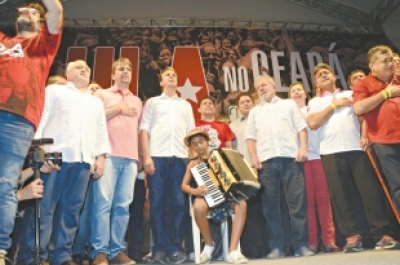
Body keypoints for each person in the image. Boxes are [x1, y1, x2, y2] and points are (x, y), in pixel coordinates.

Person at [16, 60, 110, 265]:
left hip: (83, 161)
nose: (84, 69)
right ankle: (32, 256)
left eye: (86, 67)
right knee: (43, 208)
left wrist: (100, 157)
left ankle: (62, 255)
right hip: (53, 159)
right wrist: (38, 150)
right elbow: (40, 118)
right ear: (67, 74)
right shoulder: (54, 91)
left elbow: (101, 131)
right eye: (78, 67)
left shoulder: (96, 102)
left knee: (71, 210)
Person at [307, 62, 399, 253]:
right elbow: (314, 123)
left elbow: (363, 116)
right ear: (316, 83)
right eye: (319, 75)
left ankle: (382, 235)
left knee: (370, 193)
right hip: (329, 152)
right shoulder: (314, 102)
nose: (323, 76)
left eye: (327, 73)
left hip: (357, 148)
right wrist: (333, 105)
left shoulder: (349, 94)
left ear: (334, 77)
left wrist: (365, 136)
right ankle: (352, 237)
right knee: (341, 197)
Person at [0, 0, 63, 262]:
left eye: (34, 12)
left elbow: (57, 11)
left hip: (17, 120)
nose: (26, 11)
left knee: (4, 183)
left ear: (40, 23)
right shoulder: (3, 41)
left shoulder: (43, 46)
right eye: (23, 9)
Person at [245, 75, 313, 258]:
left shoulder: (288, 104)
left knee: (297, 205)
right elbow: (250, 137)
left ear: (274, 86)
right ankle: (277, 247)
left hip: (291, 159)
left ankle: (300, 246)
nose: (261, 88)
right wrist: (253, 157)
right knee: (270, 207)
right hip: (266, 163)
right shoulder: (254, 112)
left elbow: (301, 128)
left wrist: (303, 147)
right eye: (258, 87)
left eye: (264, 84)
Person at [139, 67, 195, 264]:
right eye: (167, 75)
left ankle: (177, 248)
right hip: (157, 158)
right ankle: (160, 249)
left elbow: (191, 134)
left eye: (174, 74)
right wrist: (147, 156)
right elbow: (144, 130)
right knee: (157, 204)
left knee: (179, 204)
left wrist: (191, 160)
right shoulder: (153, 103)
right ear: (161, 81)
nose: (172, 76)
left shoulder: (185, 105)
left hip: (180, 158)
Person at [90, 58, 142, 265]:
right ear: (112, 74)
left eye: (128, 69)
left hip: (130, 159)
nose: (125, 72)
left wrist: (138, 156)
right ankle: (99, 252)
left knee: (122, 206)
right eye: (121, 68)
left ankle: (117, 251)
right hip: (108, 156)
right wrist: (118, 108)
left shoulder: (137, 100)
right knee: (103, 204)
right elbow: (93, 117)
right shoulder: (101, 94)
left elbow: (138, 131)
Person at [181, 128, 248, 264]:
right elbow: (184, 186)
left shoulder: (221, 155)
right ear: (191, 147)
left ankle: (233, 250)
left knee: (242, 204)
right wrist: (195, 191)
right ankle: (209, 245)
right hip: (206, 196)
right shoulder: (193, 164)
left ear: (207, 142)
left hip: (227, 196)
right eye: (194, 144)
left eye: (201, 142)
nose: (199, 146)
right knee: (198, 207)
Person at [288, 82, 340, 253]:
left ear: (305, 94)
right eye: (293, 91)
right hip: (301, 161)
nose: (296, 93)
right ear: (289, 96)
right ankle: (312, 242)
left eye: (299, 90)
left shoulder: (314, 108)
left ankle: (329, 240)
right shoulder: (288, 114)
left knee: (324, 200)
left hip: (317, 157)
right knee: (308, 202)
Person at [353, 45, 400, 214]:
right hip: (386, 144)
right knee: (398, 187)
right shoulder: (364, 83)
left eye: (391, 60)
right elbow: (359, 108)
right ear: (372, 66)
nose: (390, 64)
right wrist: (386, 94)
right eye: (384, 61)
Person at [229, 92, 254, 163]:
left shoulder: (262, 120)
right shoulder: (233, 125)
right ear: (238, 108)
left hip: (264, 162)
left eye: (248, 101)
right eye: (242, 102)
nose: (245, 104)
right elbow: (233, 147)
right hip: (244, 163)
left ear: (254, 104)